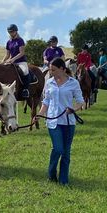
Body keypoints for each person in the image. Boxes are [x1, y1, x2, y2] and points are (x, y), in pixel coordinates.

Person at [34, 57, 84, 185]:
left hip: (68, 122)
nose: (51, 72)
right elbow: (46, 102)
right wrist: (39, 115)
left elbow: (80, 102)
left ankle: (63, 181)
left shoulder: (73, 83)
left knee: (66, 153)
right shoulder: (49, 82)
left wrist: (73, 109)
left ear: (62, 69)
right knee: (58, 149)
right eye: (50, 70)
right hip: (53, 122)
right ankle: (51, 174)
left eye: (54, 70)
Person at [1, 24, 30, 98]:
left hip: (21, 61)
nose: (11, 33)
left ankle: (25, 89)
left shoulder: (20, 40)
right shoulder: (8, 42)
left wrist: (13, 59)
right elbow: (7, 54)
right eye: (10, 32)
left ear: (16, 31)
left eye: (12, 31)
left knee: (25, 71)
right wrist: (2, 62)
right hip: (11, 61)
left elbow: (22, 53)